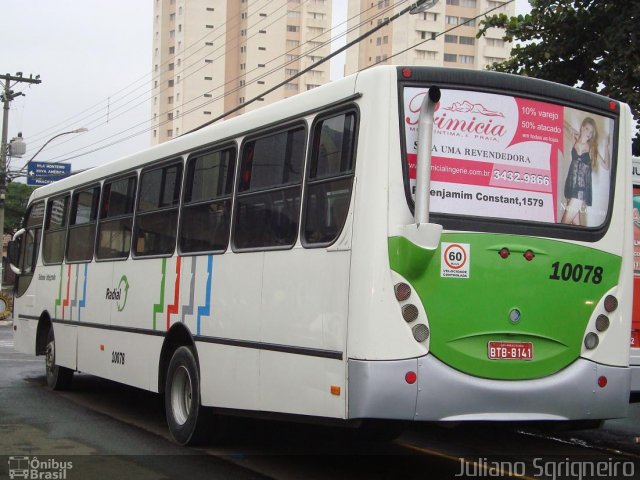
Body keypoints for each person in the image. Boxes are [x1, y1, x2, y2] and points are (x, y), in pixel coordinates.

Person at [561, 117, 610, 225]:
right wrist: (570, 127)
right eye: (587, 129)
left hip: (580, 191)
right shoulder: (574, 139)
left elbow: (606, 166)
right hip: (570, 185)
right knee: (576, 227)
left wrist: (606, 146)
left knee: (563, 224)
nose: (589, 133)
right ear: (582, 127)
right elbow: (559, 121)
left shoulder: (591, 148)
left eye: (591, 131)